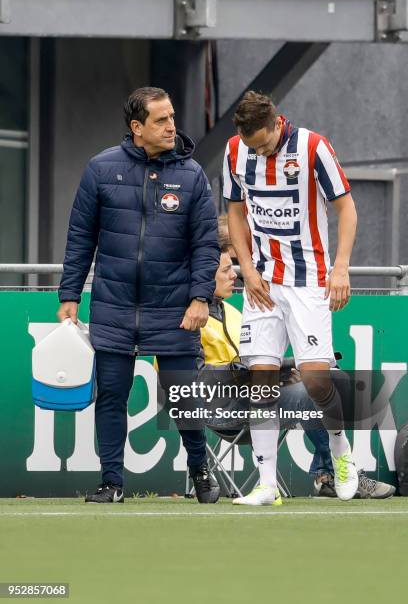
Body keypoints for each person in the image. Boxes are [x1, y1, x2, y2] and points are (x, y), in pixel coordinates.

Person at [57, 87, 220, 503]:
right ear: (137, 127)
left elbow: (205, 244)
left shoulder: (192, 175)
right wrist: (70, 294)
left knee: (183, 396)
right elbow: (80, 237)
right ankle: (111, 482)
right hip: (113, 306)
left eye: (172, 117)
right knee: (111, 395)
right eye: (161, 120)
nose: (171, 126)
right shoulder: (100, 168)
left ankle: (200, 470)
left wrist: (201, 297)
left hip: (175, 308)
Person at [224, 90, 359, 505]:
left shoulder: (313, 147)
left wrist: (340, 269)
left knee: (316, 379)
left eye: (263, 144)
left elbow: (347, 209)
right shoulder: (234, 151)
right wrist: (246, 269)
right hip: (262, 282)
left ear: (277, 123)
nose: (258, 152)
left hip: (309, 280)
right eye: (251, 146)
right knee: (260, 378)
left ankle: (340, 452)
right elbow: (234, 211)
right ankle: (266, 484)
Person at [203, 222, 395, 501]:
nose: (236, 275)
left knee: (322, 378)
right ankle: (328, 473)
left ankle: (333, 469)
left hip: (252, 394)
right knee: (309, 392)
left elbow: (251, 364)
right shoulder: (192, 318)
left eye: (234, 268)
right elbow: (196, 377)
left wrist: (282, 372)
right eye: (227, 269)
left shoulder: (233, 311)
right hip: (223, 407)